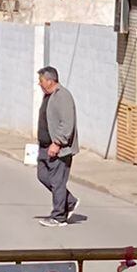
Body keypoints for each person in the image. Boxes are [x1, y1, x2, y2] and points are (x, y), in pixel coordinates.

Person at [34, 67, 80, 226]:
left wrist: (57, 143)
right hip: (45, 146)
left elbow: (67, 124)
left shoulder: (63, 96)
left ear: (50, 80)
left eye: (41, 81)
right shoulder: (49, 96)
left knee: (57, 181)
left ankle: (59, 216)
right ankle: (69, 201)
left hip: (58, 148)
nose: (39, 84)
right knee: (42, 175)